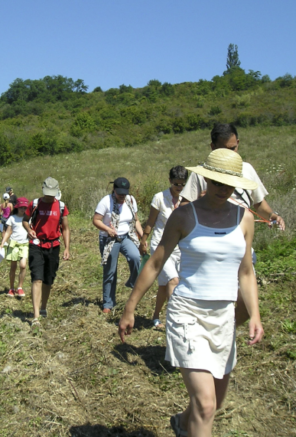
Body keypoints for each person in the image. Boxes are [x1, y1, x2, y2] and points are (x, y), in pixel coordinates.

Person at [118, 149, 264, 437]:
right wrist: (130, 308)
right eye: (218, 182)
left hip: (223, 317)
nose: (224, 190)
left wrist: (255, 314)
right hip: (188, 313)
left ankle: (183, 423)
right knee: (206, 405)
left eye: (230, 183)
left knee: (214, 403)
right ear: (206, 179)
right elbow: (156, 262)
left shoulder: (244, 219)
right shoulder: (184, 216)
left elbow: (246, 272)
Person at [180, 122, 286, 326]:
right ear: (212, 147)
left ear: (238, 143)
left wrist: (272, 215)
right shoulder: (203, 173)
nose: (231, 153)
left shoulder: (246, 169)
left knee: (246, 305)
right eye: (223, 149)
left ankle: (224, 331)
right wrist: (200, 200)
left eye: (233, 148)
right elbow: (183, 207)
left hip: (239, 246)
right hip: (209, 246)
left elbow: (259, 203)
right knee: (211, 301)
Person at [139, 166, 188, 329]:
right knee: (173, 280)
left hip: (179, 248)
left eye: (182, 184)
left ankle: (155, 317)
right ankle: (176, 320)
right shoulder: (159, 198)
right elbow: (151, 221)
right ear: (170, 181)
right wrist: (144, 239)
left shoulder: (187, 199)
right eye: (176, 184)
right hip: (160, 246)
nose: (179, 188)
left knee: (163, 285)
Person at [23, 177, 70, 325]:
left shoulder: (61, 207)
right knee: (37, 278)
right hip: (36, 244)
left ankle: (43, 307)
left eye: (52, 193)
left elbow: (66, 229)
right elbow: (25, 220)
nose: (49, 196)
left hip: (53, 246)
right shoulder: (35, 204)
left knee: (48, 279)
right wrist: (29, 229)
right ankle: (36, 316)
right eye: (47, 193)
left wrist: (67, 248)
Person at [92, 177, 144, 314]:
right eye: (119, 193)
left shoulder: (131, 200)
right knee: (110, 272)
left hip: (126, 237)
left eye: (124, 193)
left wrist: (143, 236)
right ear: (114, 190)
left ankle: (132, 282)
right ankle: (108, 303)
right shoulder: (105, 201)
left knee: (136, 257)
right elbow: (96, 220)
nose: (122, 196)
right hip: (109, 239)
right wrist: (108, 229)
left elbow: (136, 220)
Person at [0, 197, 29, 298]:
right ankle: (11, 288)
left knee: (23, 266)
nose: (23, 210)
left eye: (25, 208)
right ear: (17, 207)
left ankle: (20, 287)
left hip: (24, 244)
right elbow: (8, 231)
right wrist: (3, 243)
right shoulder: (12, 218)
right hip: (13, 244)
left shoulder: (28, 218)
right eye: (21, 207)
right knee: (13, 267)